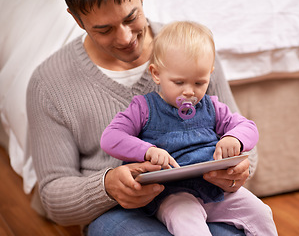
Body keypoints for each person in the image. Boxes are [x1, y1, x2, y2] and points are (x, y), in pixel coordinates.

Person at [27, 0, 259, 235]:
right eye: (104, 29)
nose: (126, 38)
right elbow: (54, 198)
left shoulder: (195, 49)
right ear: (77, 19)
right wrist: (107, 187)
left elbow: (242, 141)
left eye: (131, 17)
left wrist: (236, 169)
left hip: (206, 193)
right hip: (119, 211)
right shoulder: (48, 83)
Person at [100, 21, 277, 236]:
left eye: (199, 83)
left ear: (210, 75)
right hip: (172, 194)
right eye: (179, 82)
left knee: (260, 212)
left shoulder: (212, 107)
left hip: (215, 190)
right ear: (156, 74)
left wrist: (234, 139)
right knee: (188, 222)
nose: (189, 92)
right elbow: (110, 138)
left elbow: (248, 127)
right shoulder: (144, 108)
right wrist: (147, 151)